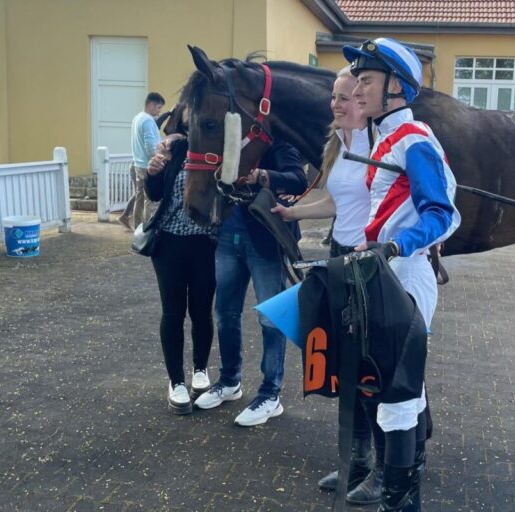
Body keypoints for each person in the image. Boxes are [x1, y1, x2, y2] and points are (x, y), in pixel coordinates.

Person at [343, 37, 461, 511]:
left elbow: (443, 214)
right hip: (383, 272)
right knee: (393, 387)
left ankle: (400, 502)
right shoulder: (387, 138)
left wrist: (396, 244)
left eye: (366, 80)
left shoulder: (413, 138)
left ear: (396, 86)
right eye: (357, 80)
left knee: (396, 395)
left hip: (406, 274)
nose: (357, 89)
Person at [272, 67, 382, 504]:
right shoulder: (338, 143)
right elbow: (337, 201)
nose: (336, 104)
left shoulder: (382, 147)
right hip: (340, 258)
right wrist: (292, 214)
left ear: (365, 100)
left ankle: (385, 464)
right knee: (346, 364)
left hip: (371, 264)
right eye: (333, 97)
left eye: (345, 96)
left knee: (375, 366)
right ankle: (355, 459)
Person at [194, 140, 308, 427]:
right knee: (225, 313)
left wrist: (262, 176)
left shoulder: (275, 141)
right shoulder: (227, 141)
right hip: (227, 234)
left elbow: (298, 179)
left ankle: (271, 394)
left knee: (271, 317)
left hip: (265, 238)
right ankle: (230, 380)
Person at [144, 133, 217, 415]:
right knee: (173, 313)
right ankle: (176, 381)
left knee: (201, 311)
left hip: (204, 245)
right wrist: (152, 173)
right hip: (169, 245)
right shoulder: (175, 150)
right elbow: (155, 193)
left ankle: (200, 369)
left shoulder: (215, 150)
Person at [118, 92, 165, 230]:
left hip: (138, 164)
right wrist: (161, 158)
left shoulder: (137, 118)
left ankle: (138, 227)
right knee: (150, 200)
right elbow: (151, 147)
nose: (158, 112)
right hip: (148, 165)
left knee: (139, 197)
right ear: (151, 104)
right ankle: (148, 228)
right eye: (158, 108)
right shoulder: (148, 121)